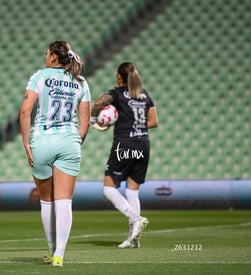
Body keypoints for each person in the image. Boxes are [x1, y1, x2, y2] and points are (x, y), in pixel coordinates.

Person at [20, 40, 90, 267]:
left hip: (42, 140)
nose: (45, 55)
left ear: (52, 58)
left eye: (46, 52)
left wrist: (26, 143)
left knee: (46, 201)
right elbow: (85, 121)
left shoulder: (39, 76)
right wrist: (76, 142)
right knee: (64, 200)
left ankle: (51, 251)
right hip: (69, 141)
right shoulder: (80, 82)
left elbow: (25, 110)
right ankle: (59, 254)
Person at [90, 62, 158, 248]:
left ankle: (135, 218)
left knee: (108, 188)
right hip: (143, 144)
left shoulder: (117, 93)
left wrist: (94, 119)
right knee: (132, 190)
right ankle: (133, 239)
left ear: (119, 77)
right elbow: (153, 121)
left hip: (125, 144)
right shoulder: (143, 94)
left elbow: (99, 103)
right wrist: (135, 125)